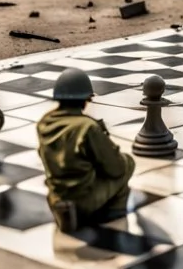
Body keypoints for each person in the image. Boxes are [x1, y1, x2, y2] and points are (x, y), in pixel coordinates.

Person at [36, 68, 135, 231]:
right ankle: (108, 214)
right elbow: (115, 168)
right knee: (127, 165)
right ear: (85, 99)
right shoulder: (87, 127)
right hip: (81, 195)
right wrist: (104, 138)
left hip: (56, 195)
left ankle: (65, 210)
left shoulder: (44, 122)